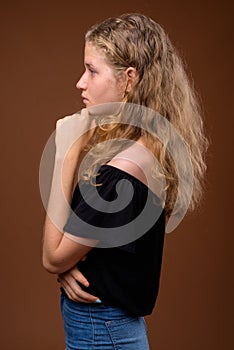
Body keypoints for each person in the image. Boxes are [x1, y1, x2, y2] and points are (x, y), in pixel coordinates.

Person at [42, 13, 208, 349]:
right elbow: (84, 248)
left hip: (103, 332)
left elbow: (52, 255)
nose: (80, 82)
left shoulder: (123, 173)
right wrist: (67, 267)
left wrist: (65, 154)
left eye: (92, 70)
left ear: (129, 78)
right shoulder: (143, 149)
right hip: (107, 328)